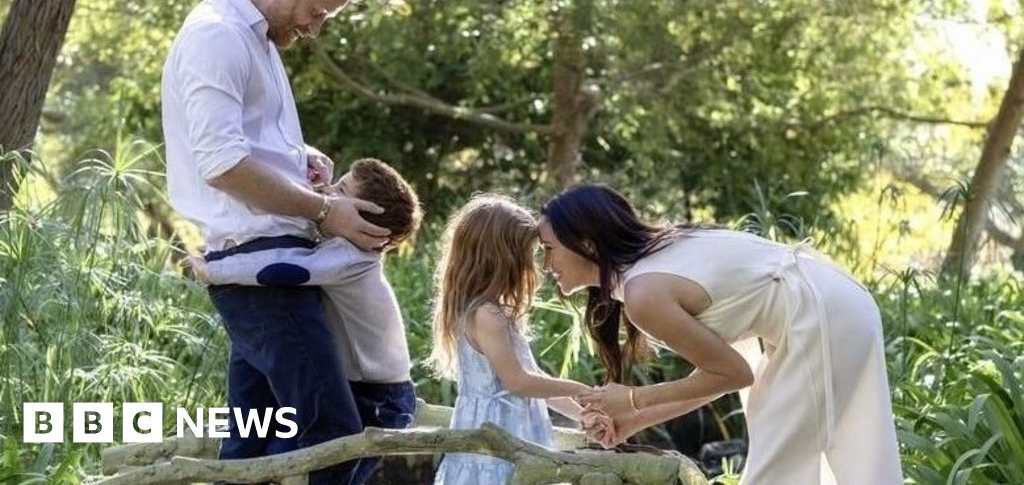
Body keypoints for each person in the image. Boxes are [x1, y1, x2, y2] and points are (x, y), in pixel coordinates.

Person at [161, 0, 389, 484]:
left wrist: (298, 158)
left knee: (254, 442)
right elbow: (222, 166)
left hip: (269, 264)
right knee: (336, 438)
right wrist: (326, 211)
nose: (315, 29)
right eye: (318, 12)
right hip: (261, 269)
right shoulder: (217, 36)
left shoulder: (252, 38)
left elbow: (239, 146)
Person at [539, 184, 903, 485]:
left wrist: (633, 398)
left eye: (549, 249)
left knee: (778, 467)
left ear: (587, 243)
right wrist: (634, 418)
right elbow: (718, 376)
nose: (546, 265)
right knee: (798, 456)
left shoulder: (644, 293)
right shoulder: (654, 263)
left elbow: (734, 374)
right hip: (832, 302)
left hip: (821, 314)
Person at [188, 158, 422, 485]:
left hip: (378, 399)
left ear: (367, 222)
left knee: (319, 461)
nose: (328, 192)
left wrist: (214, 270)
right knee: (288, 455)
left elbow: (284, 269)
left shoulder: (350, 259)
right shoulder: (341, 250)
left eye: (341, 190)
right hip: (363, 387)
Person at [427, 195, 612, 485]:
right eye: (529, 255)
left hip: (510, 433)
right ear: (504, 258)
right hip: (496, 440)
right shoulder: (486, 315)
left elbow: (536, 383)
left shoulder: (488, 310)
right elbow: (519, 383)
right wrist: (579, 389)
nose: (535, 267)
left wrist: (581, 414)